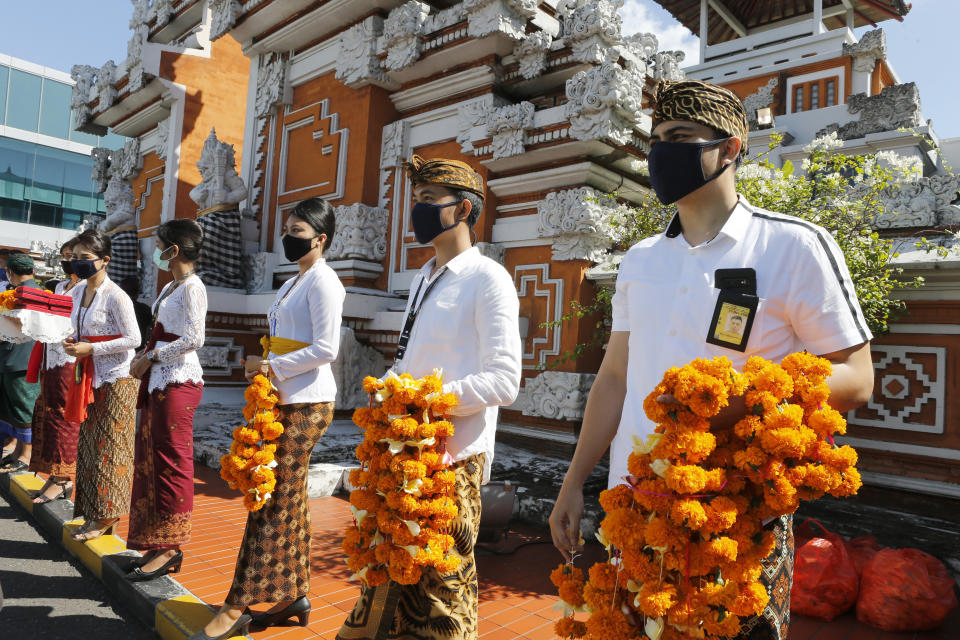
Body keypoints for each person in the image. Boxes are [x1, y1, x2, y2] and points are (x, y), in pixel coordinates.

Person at [548, 79, 876, 640]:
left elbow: (855, 376)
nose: (660, 153)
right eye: (654, 140)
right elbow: (615, 379)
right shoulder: (640, 259)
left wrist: (739, 406)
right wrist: (575, 479)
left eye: (679, 137)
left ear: (730, 148)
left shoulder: (793, 245)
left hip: (737, 510)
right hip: (639, 500)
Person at [337, 156, 522, 640]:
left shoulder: (489, 279)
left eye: (425, 202)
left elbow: (504, 380)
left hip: (453, 458)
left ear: (462, 209)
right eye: (414, 200)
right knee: (392, 568)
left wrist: (425, 399)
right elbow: (409, 357)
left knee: (443, 586)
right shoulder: (424, 276)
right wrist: (390, 386)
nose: (414, 211)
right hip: (403, 452)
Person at [193, 198, 344, 640]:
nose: (289, 237)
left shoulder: (325, 283)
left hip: (308, 404)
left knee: (269, 499)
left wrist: (270, 367)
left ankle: (238, 603)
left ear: (320, 239)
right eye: (288, 229)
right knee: (289, 500)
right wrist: (267, 366)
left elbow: (327, 349)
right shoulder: (292, 283)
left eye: (298, 231)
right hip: (283, 400)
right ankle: (292, 594)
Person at [125, 220, 207, 580]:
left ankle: (172, 546)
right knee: (153, 460)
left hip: (178, 380)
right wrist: (145, 356)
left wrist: (152, 357)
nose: (156, 252)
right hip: (160, 380)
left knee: (172, 462)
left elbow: (194, 338)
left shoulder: (193, 287)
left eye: (160, 245)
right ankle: (156, 543)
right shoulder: (172, 285)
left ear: (174, 250)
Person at [63, 229, 141, 542]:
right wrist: (70, 341)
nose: (78, 264)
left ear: (104, 261)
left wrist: (92, 348)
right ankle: (93, 511)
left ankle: (107, 516)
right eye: (75, 258)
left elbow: (133, 339)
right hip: (87, 376)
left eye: (85, 259)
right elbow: (66, 324)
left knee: (111, 450)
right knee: (90, 448)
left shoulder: (116, 295)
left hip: (116, 379)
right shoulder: (75, 291)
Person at [29, 239, 83, 502]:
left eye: (72, 255)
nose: (66, 260)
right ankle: (52, 473)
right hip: (51, 355)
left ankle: (63, 478)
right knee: (49, 411)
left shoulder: (85, 288)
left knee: (63, 416)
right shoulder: (61, 286)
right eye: (64, 255)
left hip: (70, 359)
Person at [0, 254, 43, 473]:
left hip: (22, 359)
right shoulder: (19, 292)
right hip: (15, 357)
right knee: (13, 407)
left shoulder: (29, 294)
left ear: (11, 272)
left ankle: (27, 454)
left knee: (24, 407)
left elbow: (27, 324)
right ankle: (18, 452)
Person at [119, 276, 153, 352]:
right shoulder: (145, 309)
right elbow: (150, 332)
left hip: (120, 349)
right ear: (137, 293)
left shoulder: (116, 308)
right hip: (139, 350)